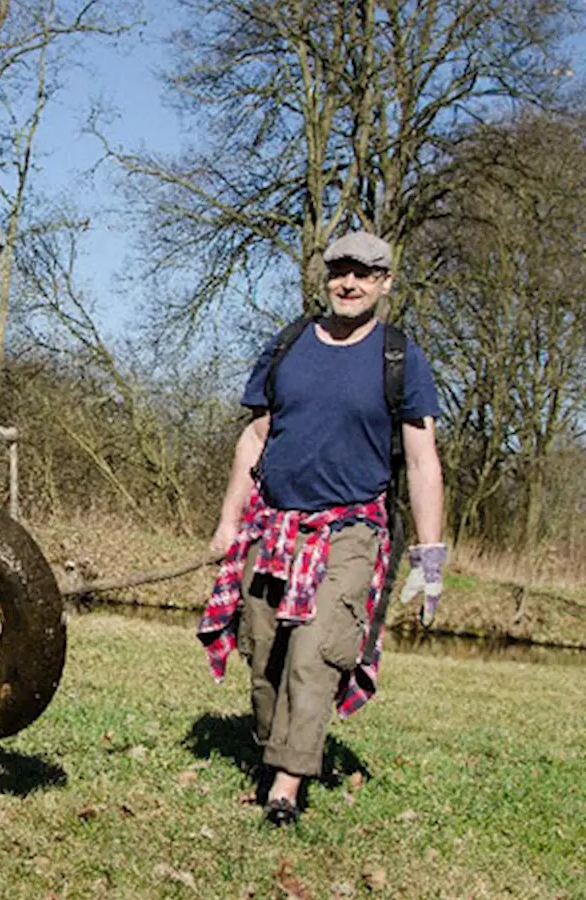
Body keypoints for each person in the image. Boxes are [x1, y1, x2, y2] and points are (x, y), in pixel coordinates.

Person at [197, 230, 445, 827]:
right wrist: (229, 522)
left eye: (365, 273)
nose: (350, 282)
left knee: (317, 653)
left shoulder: (399, 358)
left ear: (386, 284)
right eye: (341, 270)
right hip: (273, 526)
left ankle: (286, 787)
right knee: (265, 656)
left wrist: (430, 558)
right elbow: (254, 438)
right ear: (326, 275)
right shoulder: (286, 346)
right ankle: (274, 751)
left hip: (351, 530)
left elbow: (421, 460)